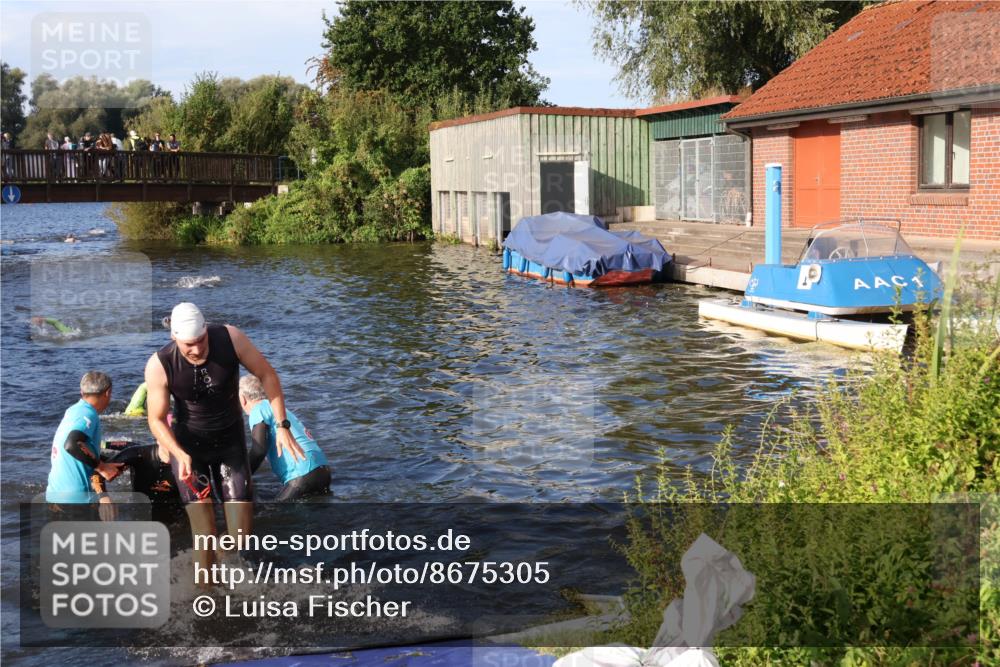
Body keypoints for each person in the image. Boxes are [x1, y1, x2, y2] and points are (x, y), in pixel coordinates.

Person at [144, 303, 304, 569]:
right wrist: (178, 451)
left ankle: (219, 560)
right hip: (188, 450)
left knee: (241, 536)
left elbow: (267, 374)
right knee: (204, 535)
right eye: (189, 345)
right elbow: (156, 419)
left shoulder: (230, 338)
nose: (197, 349)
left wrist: (283, 424)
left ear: (207, 329)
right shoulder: (160, 364)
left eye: (201, 340)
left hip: (230, 445)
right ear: (174, 338)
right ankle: (202, 594)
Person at [239, 374, 331, 501]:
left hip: (303, 473)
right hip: (323, 469)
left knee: (273, 514)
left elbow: (259, 450)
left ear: (242, 399)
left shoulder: (258, 409)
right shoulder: (278, 409)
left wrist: (241, 476)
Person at [45, 372, 124, 517]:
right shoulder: (88, 414)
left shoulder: (73, 411)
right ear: (108, 392)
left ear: (82, 392)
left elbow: (81, 454)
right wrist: (102, 467)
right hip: (77, 501)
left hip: (54, 497)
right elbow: (72, 444)